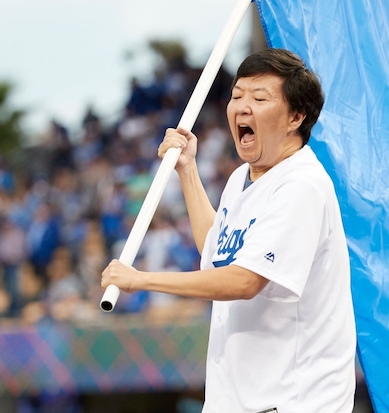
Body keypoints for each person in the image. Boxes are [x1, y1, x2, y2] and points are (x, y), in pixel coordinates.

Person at [101, 48, 356, 412]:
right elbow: (217, 255)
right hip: (238, 399)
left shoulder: (302, 184)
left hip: (293, 401)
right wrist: (188, 170)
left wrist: (141, 279)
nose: (242, 106)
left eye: (259, 98)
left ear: (295, 117)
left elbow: (244, 281)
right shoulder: (241, 177)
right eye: (237, 96)